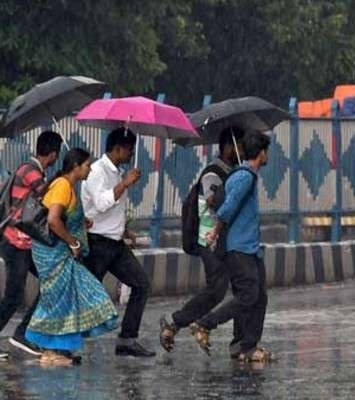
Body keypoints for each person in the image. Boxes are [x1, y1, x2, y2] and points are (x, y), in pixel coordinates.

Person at [25, 148, 118, 366]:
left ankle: (59, 350)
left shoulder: (66, 186)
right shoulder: (63, 186)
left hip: (59, 253)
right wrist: (73, 242)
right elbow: (53, 220)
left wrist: (80, 223)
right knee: (59, 300)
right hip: (54, 254)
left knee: (64, 300)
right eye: (87, 165)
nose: (90, 169)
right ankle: (49, 351)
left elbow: (63, 216)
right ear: (75, 166)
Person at [159, 127, 245, 357]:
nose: (243, 152)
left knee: (241, 289)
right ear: (229, 147)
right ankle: (175, 322)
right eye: (240, 146)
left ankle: (242, 343)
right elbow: (212, 201)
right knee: (217, 289)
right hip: (209, 239)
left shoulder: (234, 171)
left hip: (227, 240)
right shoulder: (213, 173)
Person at [189, 131, 272, 363]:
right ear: (262, 152)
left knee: (260, 297)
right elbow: (230, 206)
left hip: (251, 247)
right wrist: (216, 229)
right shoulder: (245, 176)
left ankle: (248, 346)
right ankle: (205, 324)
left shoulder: (243, 174)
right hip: (240, 248)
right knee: (248, 296)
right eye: (267, 151)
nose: (267, 155)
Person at [81, 128, 155, 357]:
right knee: (86, 294)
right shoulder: (96, 171)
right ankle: (61, 339)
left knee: (141, 284)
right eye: (129, 149)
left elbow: (111, 210)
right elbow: (102, 203)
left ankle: (127, 339)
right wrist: (124, 184)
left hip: (115, 243)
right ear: (117, 148)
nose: (131, 154)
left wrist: (125, 231)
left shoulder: (115, 172)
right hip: (97, 243)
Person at [0, 131, 62, 357]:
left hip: (25, 243)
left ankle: (23, 333)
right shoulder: (29, 170)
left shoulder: (36, 171)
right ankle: (21, 335)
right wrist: (63, 177)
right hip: (15, 242)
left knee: (51, 280)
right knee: (14, 296)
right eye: (57, 155)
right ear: (53, 154)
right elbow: (46, 194)